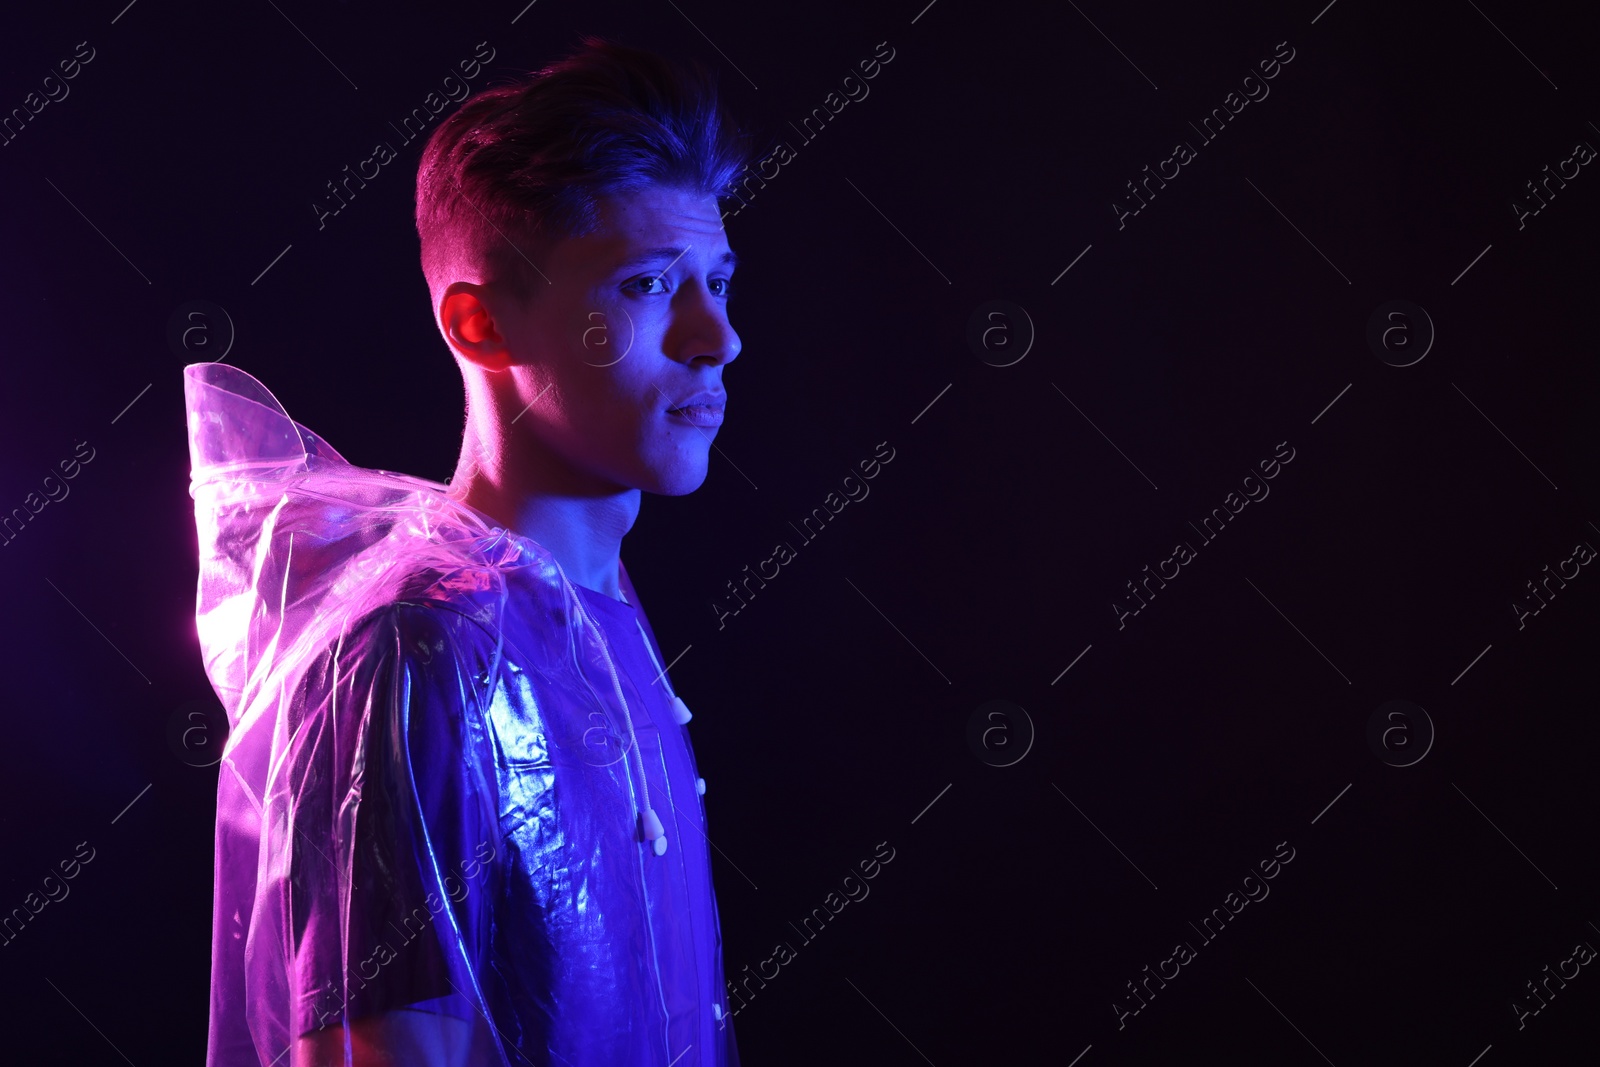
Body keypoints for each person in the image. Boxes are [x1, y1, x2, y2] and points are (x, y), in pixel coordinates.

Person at [184, 37, 750, 1066]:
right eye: (647, 286)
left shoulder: (599, 614)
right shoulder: (416, 649)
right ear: (483, 324)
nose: (716, 336)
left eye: (716, 280)